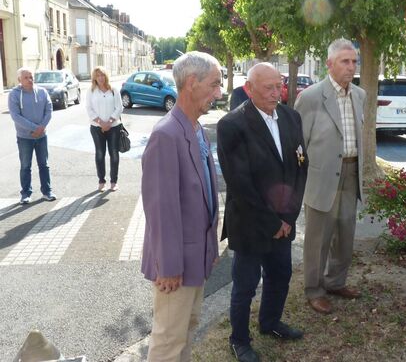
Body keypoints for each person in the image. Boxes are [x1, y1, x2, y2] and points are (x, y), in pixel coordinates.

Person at [217, 63, 308, 362]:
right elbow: (240, 183)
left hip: (284, 221)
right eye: (268, 87)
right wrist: (272, 222)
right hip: (250, 222)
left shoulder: (292, 117)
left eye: (278, 85)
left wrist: (288, 218)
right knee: (245, 285)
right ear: (249, 90)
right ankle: (239, 340)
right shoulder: (233, 125)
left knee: (280, 274)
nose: (275, 92)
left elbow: (300, 168)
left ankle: (270, 323)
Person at [141, 51, 222, 361]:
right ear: (192, 83)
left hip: (195, 255)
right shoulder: (166, 135)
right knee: (168, 341)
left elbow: (202, 195)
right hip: (176, 265)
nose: (219, 92)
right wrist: (170, 267)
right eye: (214, 85)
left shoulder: (195, 127)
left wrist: (209, 248)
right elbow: (161, 211)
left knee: (187, 328)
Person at [294, 38, 366, 315]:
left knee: (345, 233)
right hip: (321, 176)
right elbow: (298, 144)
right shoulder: (311, 97)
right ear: (329, 64)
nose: (351, 67)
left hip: (351, 171)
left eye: (354, 61)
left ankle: (336, 282)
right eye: (345, 62)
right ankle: (314, 289)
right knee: (318, 238)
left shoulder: (359, 95)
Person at [8, 67, 56, 204]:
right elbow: (15, 116)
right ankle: (26, 194)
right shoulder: (14, 94)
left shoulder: (42, 92)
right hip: (24, 137)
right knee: (25, 166)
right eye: (26, 78)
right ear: (19, 80)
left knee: (44, 165)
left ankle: (47, 192)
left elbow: (49, 110)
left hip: (42, 136)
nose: (30, 80)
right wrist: (35, 128)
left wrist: (42, 128)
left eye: (31, 77)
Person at [85, 67, 123, 192]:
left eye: (102, 75)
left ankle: (114, 181)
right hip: (97, 128)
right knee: (100, 153)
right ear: (94, 78)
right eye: (98, 76)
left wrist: (110, 122)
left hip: (114, 127)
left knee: (114, 153)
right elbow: (89, 109)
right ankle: (101, 181)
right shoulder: (91, 91)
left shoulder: (113, 90)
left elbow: (119, 107)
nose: (100, 78)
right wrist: (101, 123)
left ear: (106, 76)